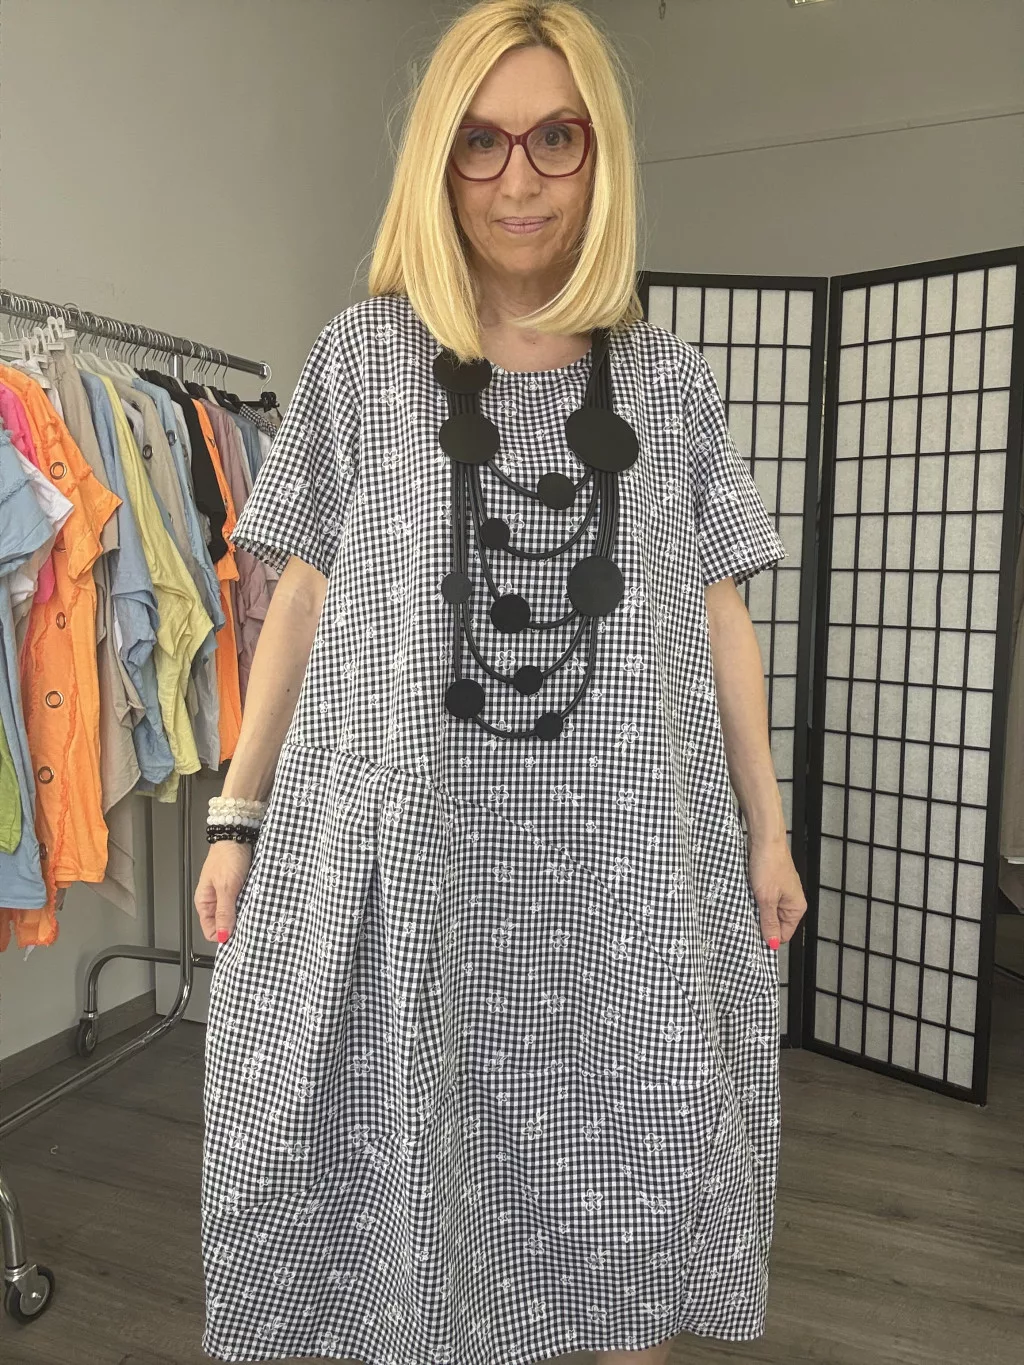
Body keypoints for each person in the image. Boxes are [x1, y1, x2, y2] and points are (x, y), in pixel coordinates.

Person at [196, 2, 808, 1362]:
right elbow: (302, 595)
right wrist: (238, 813)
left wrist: (767, 830)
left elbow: (722, 616)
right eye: (480, 142)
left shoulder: (669, 383)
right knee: (421, 1202)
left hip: (628, 872)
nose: (518, 180)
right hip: (419, 863)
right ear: (439, 158)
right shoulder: (364, 359)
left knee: (636, 1179)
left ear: (601, 156)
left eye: (554, 139)